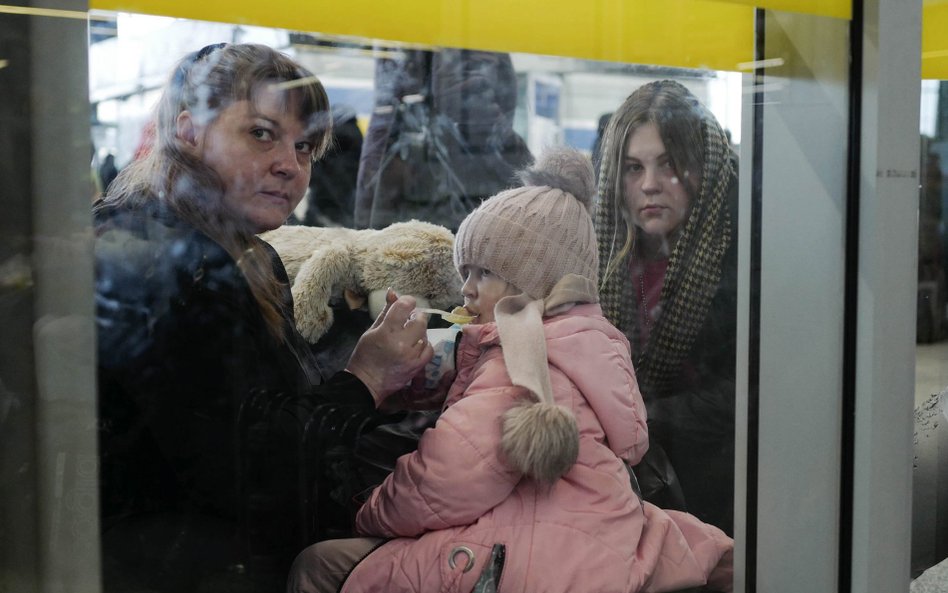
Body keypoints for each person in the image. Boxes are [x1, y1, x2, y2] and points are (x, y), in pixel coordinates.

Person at [287, 146, 734, 593]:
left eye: (483, 272)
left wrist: (366, 508)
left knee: (317, 565)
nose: (466, 289)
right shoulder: (583, 343)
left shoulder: (521, 362)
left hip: (529, 562)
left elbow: (446, 481)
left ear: (531, 282)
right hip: (590, 544)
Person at [93, 43, 433, 593]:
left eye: (304, 146)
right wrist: (363, 382)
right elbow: (244, 465)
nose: (289, 165)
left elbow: (252, 407)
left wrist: (377, 385)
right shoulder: (166, 261)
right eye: (260, 133)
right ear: (189, 131)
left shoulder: (238, 253)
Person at [594, 79, 738, 534]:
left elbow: (751, 393)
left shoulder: (743, 254)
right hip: (620, 488)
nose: (650, 185)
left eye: (669, 165)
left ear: (703, 169)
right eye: (634, 168)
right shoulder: (601, 255)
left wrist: (638, 419)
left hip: (720, 487)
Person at [353, 48, 532, 231]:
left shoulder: (503, 141)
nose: (474, 81)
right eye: (465, 70)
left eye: (483, 68)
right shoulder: (406, 131)